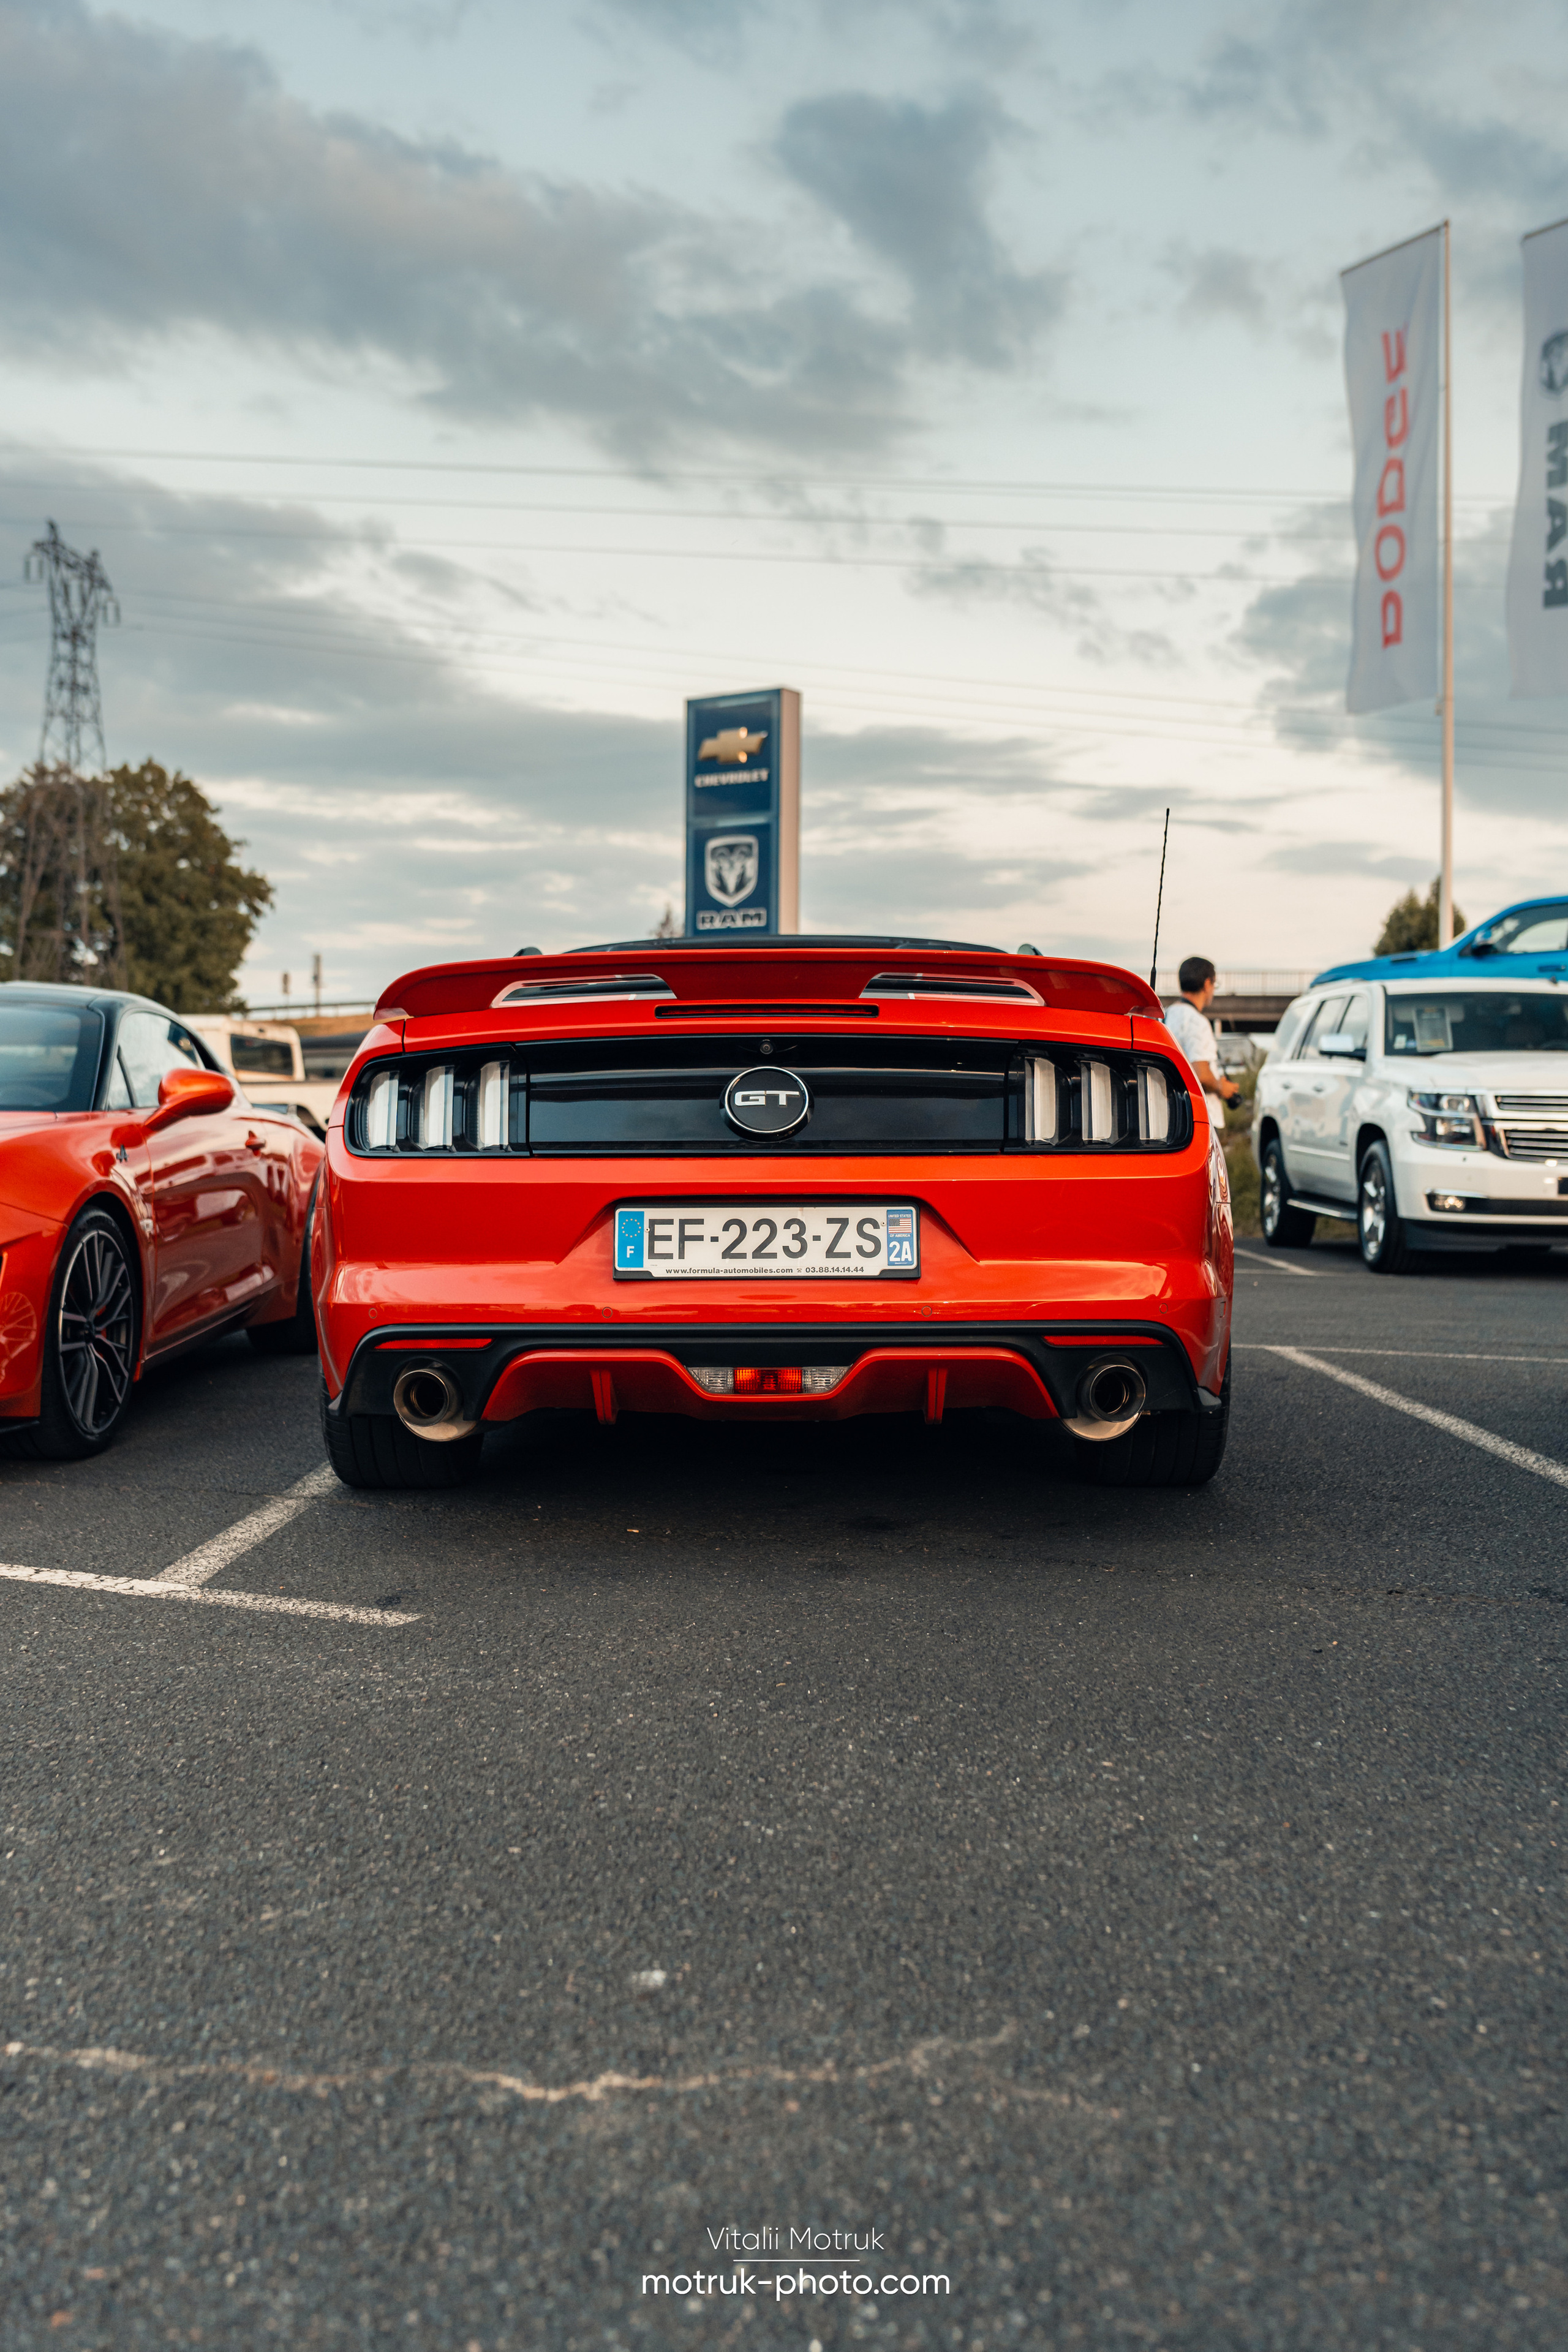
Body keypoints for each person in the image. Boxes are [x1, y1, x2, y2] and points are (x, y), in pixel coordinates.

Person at [1164, 956, 1242, 1126]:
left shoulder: (1166, 1016)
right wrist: (1222, 1088)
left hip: (1176, 1116)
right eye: (1215, 985)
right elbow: (1202, 1075)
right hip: (1203, 1120)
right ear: (1207, 984)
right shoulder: (1197, 1022)